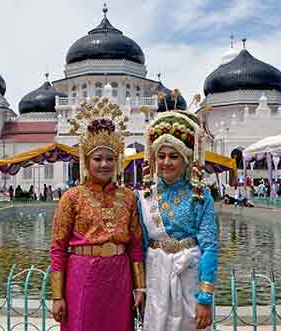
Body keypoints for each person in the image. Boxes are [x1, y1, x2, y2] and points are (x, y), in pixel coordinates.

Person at [50, 96, 145, 331]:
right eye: (98, 159)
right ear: (86, 161)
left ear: (118, 161)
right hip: (82, 274)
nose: (104, 164)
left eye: (110, 159)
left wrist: (140, 286)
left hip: (119, 276)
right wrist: (57, 296)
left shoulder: (129, 197)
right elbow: (58, 248)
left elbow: (135, 245)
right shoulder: (71, 198)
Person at [138, 104, 218, 331]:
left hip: (189, 276)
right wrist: (140, 288)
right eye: (161, 156)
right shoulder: (144, 196)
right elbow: (141, 244)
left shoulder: (201, 196)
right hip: (156, 275)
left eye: (174, 156)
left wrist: (205, 297)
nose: (166, 162)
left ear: (186, 159)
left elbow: (210, 247)